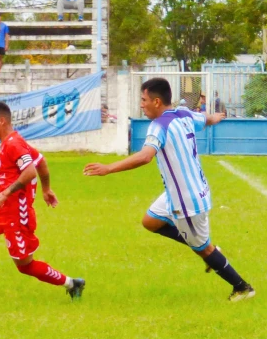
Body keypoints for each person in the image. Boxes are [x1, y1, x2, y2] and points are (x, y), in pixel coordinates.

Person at [82, 78, 253, 301]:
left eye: (143, 100)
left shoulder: (158, 126)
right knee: (150, 221)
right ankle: (200, 243)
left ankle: (242, 287)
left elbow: (145, 157)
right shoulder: (184, 114)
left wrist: (108, 168)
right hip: (180, 192)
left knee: (205, 250)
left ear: (156, 101)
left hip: (187, 202)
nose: (141, 105)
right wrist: (217, 117)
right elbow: (207, 119)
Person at [0, 101, 84, 300]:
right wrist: (46, 189)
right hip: (2, 210)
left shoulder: (14, 144)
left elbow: (29, 172)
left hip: (16, 216)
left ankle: (73, 284)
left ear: (2, 121)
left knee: (25, 266)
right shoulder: (13, 142)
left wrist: (5, 192)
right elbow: (41, 162)